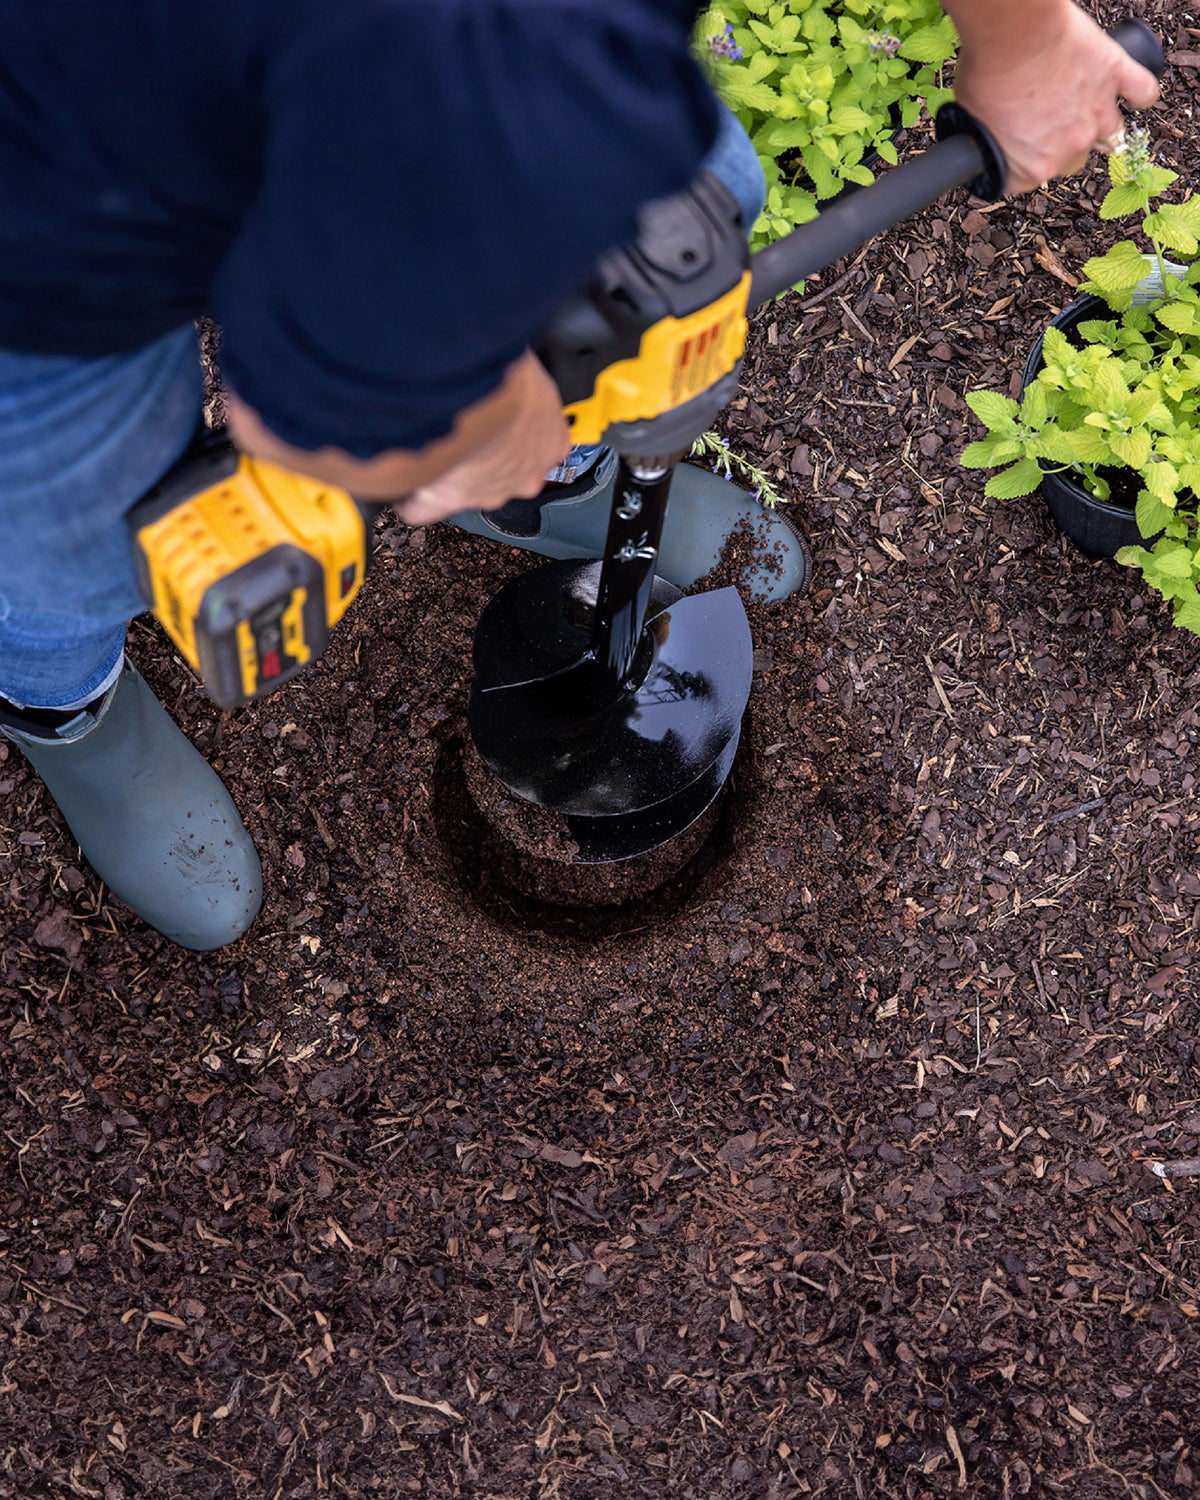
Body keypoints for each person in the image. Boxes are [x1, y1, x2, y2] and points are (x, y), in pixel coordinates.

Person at [0, 0, 1159, 951]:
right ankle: (70, 707)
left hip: (427, 71)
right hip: (42, 195)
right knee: (67, 512)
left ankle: (554, 489)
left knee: (686, 212)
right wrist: (477, 417)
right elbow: (312, 412)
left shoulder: (549, 60)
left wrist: (1022, 40)